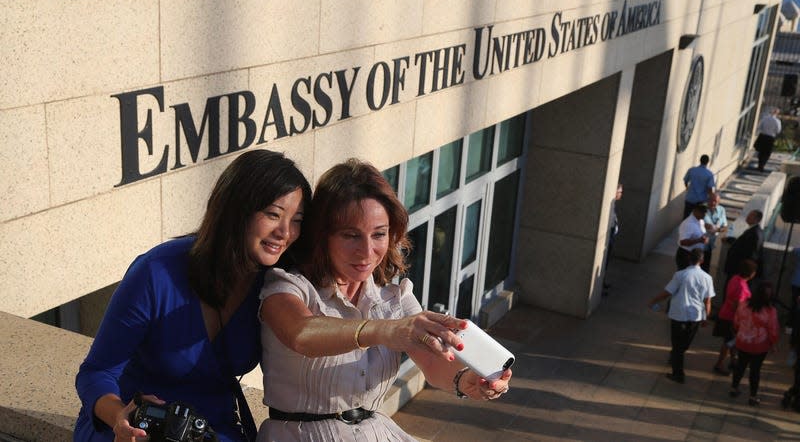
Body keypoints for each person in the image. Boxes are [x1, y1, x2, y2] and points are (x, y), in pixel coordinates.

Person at [257, 159, 513, 441]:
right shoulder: (288, 286)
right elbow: (301, 333)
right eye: (351, 235)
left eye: (378, 234)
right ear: (322, 236)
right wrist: (386, 331)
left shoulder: (394, 296)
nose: (366, 251)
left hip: (376, 433)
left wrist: (468, 381)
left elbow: (433, 361)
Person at [74, 150, 313, 442]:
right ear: (236, 210)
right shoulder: (156, 271)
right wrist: (121, 418)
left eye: (297, 220)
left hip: (212, 430)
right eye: (273, 214)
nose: (285, 232)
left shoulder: (276, 285)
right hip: (135, 430)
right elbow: (95, 372)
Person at [648, 248, 715, 384]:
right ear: (702, 261)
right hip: (696, 315)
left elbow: (668, 292)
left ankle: (678, 373)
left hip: (679, 314)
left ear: (689, 258)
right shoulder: (708, 278)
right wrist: (705, 317)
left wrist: (653, 301)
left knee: (677, 344)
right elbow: (708, 301)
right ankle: (676, 360)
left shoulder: (681, 275)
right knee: (684, 344)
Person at [730, 281, 780, 406]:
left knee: (740, 365)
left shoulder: (744, 305)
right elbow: (772, 329)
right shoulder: (770, 311)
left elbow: (736, 321)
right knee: (755, 370)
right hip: (760, 345)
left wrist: (739, 331)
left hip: (743, 341)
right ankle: (752, 396)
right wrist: (773, 343)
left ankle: (734, 388)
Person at [712, 259, 756, 376]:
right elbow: (738, 306)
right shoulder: (742, 287)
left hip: (725, 313)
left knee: (731, 341)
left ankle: (732, 361)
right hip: (732, 319)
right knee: (728, 342)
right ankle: (719, 364)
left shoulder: (735, 278)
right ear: (751, 274)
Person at [723, 210, 764, 287]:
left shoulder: (755, 233)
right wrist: (729, 239)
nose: (748, 217)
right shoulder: (753, 230)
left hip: (739, 270)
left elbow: (752, 254)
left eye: (751, 215)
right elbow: (743, 244)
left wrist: (743, 270)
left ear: (757, 219)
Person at [603, 183, 623, 296]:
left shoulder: (613, 204)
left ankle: (602, 282)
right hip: (608, 237)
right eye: (620, 192)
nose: (621, 194)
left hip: (611, 236)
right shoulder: (610, 206)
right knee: (604, 262)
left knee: (606, 262)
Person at [676, 203, 708, 271]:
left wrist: (704, 238)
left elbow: (700, 234)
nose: (704, 214)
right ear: (695, 211)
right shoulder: (688, 223)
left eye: (705, 212)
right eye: (702, 212)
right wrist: (699, 240)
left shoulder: (701, 221)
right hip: (686, 256)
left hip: (695, 256)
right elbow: (683, 242)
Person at [703, 192, 728, 273]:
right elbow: (708, 226)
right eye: (711, 200)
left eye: (715, 201)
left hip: (711, 244)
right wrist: (717, 229)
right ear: (707, 200)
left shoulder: (721, 210)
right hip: (701, 244)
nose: (713, 203)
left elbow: (724, 227)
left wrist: (718, 229)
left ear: (718, 202)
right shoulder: (702, 209)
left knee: (706, 267)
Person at [754, 107, 781, 172]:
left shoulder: (765, 118)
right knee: (767, 153)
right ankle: (762, 165)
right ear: (777, 113)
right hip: (770, 138)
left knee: (761, 151)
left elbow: (759, 127)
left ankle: (760, 164)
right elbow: (778, 131)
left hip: (763, 136)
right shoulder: (777, 121)